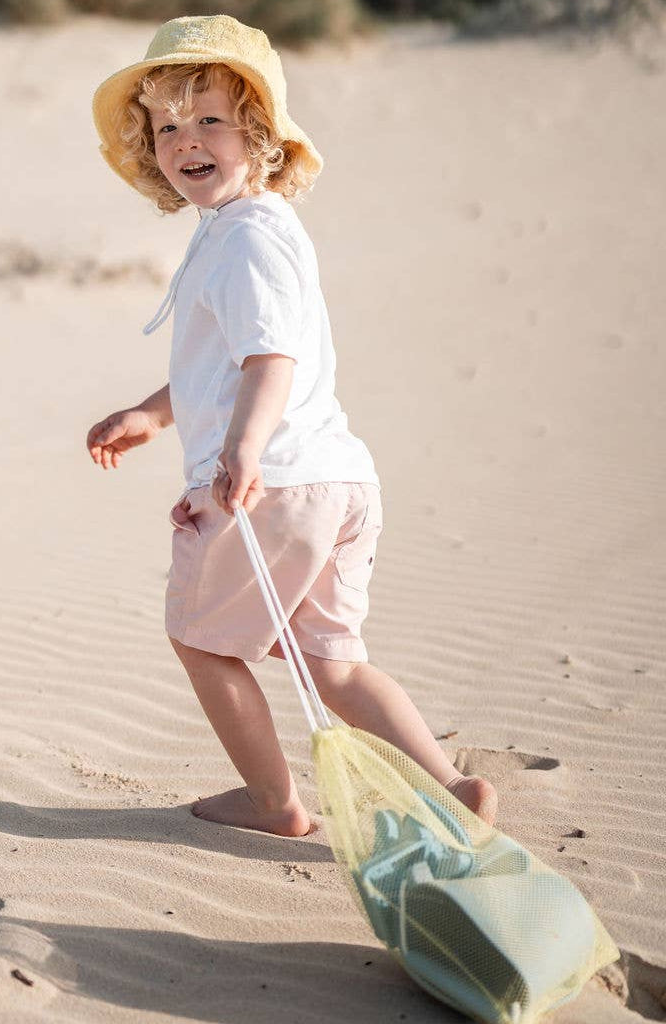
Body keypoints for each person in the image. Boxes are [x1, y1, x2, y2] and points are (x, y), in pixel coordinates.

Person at [86, 15, 497, 837]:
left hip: (270, 483)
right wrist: (154, 412)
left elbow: (270, 358)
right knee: (333, 663)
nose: (186, 140)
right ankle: (454, 787)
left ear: (262, 136)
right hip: (338, 479)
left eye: (210, 120)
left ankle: (274, 804)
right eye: (167, 126)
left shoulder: (243, 238)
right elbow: (228, 360)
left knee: (203, 642)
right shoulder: (252, 231)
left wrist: (237, 452)